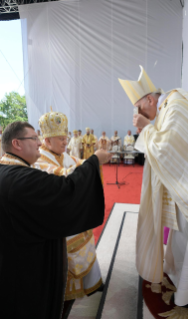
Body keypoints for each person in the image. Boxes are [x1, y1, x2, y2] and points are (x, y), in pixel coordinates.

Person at [119, 65, 188, 307]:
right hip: (185, 184)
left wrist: (147, 128)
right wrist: (148, 127)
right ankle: (187, 283)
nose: (137, 113)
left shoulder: (175, 106)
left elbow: (165, 147)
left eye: (139, 108)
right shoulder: (168, 107)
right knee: (182, 240)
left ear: (150, 99)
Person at [0, 121, 111, 319]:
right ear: (17, 144)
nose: (39, 143)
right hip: (26, 270)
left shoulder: (6, 171)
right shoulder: (24, 179)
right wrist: (94, 161)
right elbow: (66, 191)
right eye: (34, 138)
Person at [36, 111, 104, 311]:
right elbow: (65, 178)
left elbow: (79, 165)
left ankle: (90, 284)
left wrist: (90, 163)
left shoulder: (63, 155)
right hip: (57, 222)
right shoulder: (39, 160)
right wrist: (94, 162)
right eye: (61, 139)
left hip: (72, 216)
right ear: (47, 140)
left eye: (66, 138)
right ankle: (63, 297)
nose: (66, 142)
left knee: (86, 241)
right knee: (66, 258)